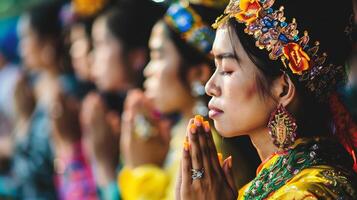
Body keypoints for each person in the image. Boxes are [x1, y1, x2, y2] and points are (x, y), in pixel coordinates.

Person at [177, 0, 357, 199]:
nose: (209, 87)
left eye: (227, 70)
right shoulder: (269, 186)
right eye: (215, 67)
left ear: (283, 89)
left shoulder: (308, 193)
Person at [118, 1, 259, 199]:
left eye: (158, 56)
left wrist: (143, 171)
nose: (147, 70)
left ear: (197, 73)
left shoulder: (208, 150)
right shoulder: (178, 135)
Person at [80, 1, 165, 199]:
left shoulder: (157, 123)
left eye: (101, 44)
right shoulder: (118, 112)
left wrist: (103, 164)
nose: (92, 57)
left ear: (136, 56)